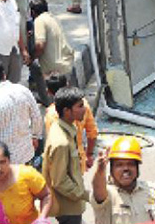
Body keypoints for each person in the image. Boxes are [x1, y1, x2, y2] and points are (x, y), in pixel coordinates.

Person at [0, 59, 43, 166]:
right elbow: (36, 117)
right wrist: (35, 136)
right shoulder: (23, 90)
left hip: (3, 161)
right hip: (26, 153)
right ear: (4, 74)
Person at [43, 86, 89, 224]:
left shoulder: (64, 128)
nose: (85, 109)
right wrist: (83, 194)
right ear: (66, 111)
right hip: (68, 207)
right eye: (80, 106)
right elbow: (59, 180)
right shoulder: (61, 143)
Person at [91, 136, 155, 223]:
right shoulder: (106, 193)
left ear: (137, 167)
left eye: (131, 164)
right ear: (111, 169)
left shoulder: (152, 192)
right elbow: (98, 189)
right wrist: (100, 170)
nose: (126, 168)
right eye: (119, 165)